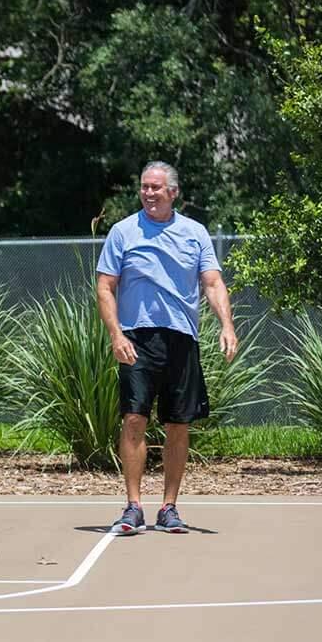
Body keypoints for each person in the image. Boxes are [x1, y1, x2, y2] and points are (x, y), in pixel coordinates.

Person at [95, 161, 238, 534]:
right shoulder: (123, 232)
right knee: (133, 418)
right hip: (137, 338)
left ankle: (169, 507)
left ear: (173, 192)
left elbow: (212, 282)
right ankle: (133, 506)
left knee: (178, 423)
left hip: (181, 338)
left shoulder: (195, 233)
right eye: (144, 187)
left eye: (156, 187)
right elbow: (105, 287)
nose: (149, 193)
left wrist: (227, 325)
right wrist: (116, 335)